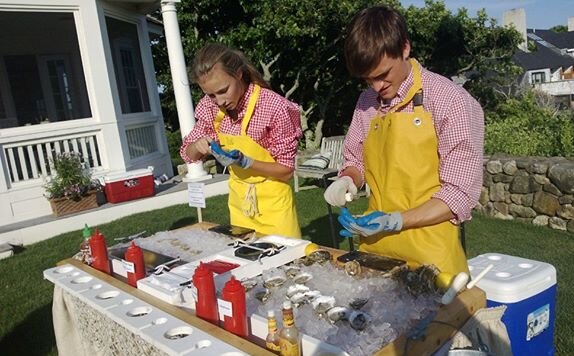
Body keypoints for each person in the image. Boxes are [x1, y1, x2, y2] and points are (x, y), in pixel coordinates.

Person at [324, 6, 484, 275]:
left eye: (383, 74)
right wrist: (348, 179)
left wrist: (396, 221)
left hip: (431, 257)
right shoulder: (366, 102)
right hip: (374, 250)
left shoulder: (449, 100)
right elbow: (355, 160)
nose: (376, 87)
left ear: (405, 48)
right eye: (367, 79)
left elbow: (458, 194)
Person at [180, 43, 302, 238]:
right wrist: (198, 145)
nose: (219, 101)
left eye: (223, 90)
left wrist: (247, 162)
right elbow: (187, 153)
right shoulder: (209, 108)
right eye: (211, 95)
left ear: (238, 74)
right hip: (240, 204)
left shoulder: (273, 107)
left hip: (274, 205)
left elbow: (286, 170)